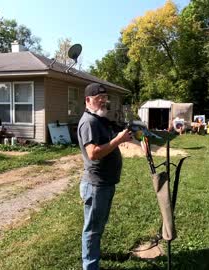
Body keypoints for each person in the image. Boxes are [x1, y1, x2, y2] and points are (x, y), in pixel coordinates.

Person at [78, 82, 132, 270]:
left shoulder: (99, 119)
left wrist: (119, 136)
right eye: (98, 98)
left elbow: (107, 140)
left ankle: (94, 255)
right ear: (88, 100)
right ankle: (90, 266)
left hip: (105, 183)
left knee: (97, 226)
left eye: (104, 98)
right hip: (96, 185)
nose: (103, 101)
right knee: (92, 230)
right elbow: (93, 153)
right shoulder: (89, 122)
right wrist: (117, 140)